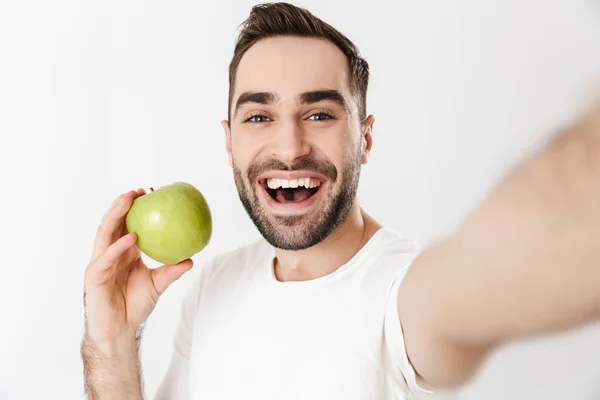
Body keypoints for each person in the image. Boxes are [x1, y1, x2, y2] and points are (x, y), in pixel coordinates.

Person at [81, 2, 600, 399]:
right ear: (229, 141)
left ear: (365, 138)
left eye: (321, 114)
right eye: (259, 117)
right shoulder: (212, 287)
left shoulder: (400, 295)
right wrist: (113, 341)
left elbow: (483, 274)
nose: (288, 147)